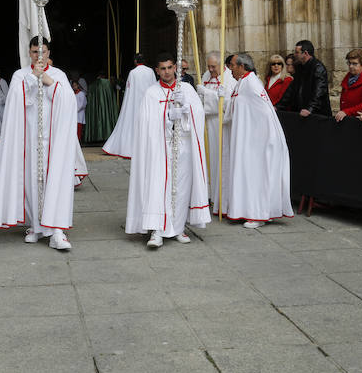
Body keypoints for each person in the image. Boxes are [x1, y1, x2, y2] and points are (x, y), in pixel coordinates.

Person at [0, 37, 86, 250]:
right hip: (28, 140)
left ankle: (57, 230)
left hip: (53, 140)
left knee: (54, 180)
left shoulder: (59, 75)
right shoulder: (20, 75)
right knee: (31, 182)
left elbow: (69, 102)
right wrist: (31, 79)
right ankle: (36, 226)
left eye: (43, 51)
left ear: (49, 53)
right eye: (35, 51)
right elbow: (14, 102)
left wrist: (47, 81)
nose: (39, 55)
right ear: (29, 52)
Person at [126, 53, 209, 248]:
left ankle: (178, 227)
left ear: (175, 68)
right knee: (157, 187)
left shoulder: (186, 89)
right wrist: (168, 116)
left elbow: (199, 115)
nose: (166, 72)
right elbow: (145, 124)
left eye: (170, 67)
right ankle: (156, 230)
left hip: (183, 148)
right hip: (159, 149)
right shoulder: (151, 93)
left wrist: (187, 107)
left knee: (180, 188)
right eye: (162, 68)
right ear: (157, 71)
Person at [219, 53, 294, 227]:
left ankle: (259, 214)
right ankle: (248, 211)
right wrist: (223, 98)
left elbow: (264, 112)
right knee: (249, 176)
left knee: (257, 176)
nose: (230, 69)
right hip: (247, 139)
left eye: (232, 66)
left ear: (242, 66)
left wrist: (263, 138)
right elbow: (237, 109)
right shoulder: (242, 82)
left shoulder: (251, 83)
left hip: (257, 140)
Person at [197, 52, 236, 205]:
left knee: (218, 158)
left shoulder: (230, 79)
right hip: (206, 123)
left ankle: (220, 196)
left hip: (220, 123)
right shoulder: (206, 75)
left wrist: (207, 94)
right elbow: (200, 98)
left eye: (213, 66)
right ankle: (208, 193)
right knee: (208, 159)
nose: (211, 69)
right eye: (209, 66)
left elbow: (226, 104)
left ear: (221, 65)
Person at [103, 53, 156, 158]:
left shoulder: (133, 73)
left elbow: (129, 89)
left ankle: (130, 149)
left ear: (135, 61)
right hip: (148, 102)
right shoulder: (150, 71)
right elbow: (154, 85)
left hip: (134, 103)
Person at [274, 40, 330, 117]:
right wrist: (278, 107)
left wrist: (310, 108)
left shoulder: (318, 67)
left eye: (297, 52)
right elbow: (291, 90)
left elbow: (319, 91)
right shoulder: (300, 67)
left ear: (305, 53)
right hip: (301, 112)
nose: (295, 55)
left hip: (316, 114)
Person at [335, 49, 362, 122]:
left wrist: (346, 112)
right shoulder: (349, 77)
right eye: (349, 63)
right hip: (347, 119)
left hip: (360, 121)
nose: (351, 66)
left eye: (354, 64)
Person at [85, 70, 118, 142]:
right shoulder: (107, 83)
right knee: (106, 116)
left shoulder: (92, 85)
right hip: (106, 107)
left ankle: (96, 135)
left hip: (95, 109)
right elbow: (110, 96)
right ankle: (107, 134)